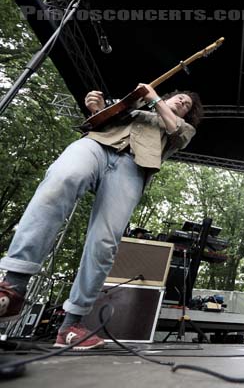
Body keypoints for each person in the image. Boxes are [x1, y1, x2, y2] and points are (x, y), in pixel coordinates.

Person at [0, 84, 203, 349]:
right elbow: (100, 119)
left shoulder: (181, 127)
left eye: (187, 104)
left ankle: (72, 323)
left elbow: (175, 130)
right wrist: (97, 108)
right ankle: (13, 286)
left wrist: (154, 99)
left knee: (105, 241)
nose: (182, 103)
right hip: (97, 145)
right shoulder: (135, 107)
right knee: (62, 179)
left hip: (133, 167)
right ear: (168, 97)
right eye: (179, 98)